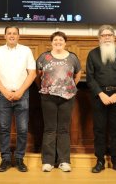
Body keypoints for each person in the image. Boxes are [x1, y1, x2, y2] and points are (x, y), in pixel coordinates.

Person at [0, 26, 36, 172]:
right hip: (3, 96)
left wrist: (20, 91)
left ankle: (20, 159)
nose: (12, 35)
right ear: (4, 36)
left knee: (22, 129)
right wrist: (4, 91)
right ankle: (6, 159)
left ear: (18, 36)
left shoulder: (26, 50)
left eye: (14, 33)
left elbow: (32, 73)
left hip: (22, 95)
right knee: (4, 129)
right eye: (9, 33)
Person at [86, 25, 116, 174]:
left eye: (109, 35)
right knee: (99, 130)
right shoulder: (92, 54)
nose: (107, 37)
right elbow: (90, 78)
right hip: (100, 98)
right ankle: (100, 161)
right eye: (103, 35)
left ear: (114, 37)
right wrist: (101, 94)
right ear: (99, 38)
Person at [36, 31, 81, 172]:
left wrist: (69, 87)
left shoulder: (73, 57)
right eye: (55, 40)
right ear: (51, 42)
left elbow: (77, 74)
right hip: (48, 97)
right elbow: (38, 76)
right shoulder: (44, 57)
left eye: (61, 40)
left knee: (63, 129)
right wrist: (45, 88)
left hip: (67, 97)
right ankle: (48, 161)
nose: (58, 42)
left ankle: (64, 161)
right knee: (49, 129)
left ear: (65, 42)